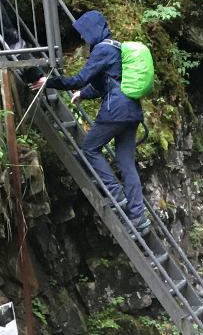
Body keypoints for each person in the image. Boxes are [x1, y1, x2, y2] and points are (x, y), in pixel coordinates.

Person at [32, 12, 148, 233]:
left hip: (116, 111)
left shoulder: (102, 49)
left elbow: (80, 78)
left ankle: (116, 194)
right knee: (126, 162)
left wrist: (50, 82)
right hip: (132, 111)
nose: (84, 39)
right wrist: (83, 94)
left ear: (93, 30)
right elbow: (106, 82)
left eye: (85, 34)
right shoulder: (116, 48)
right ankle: (137, 217)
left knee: (89, 149)